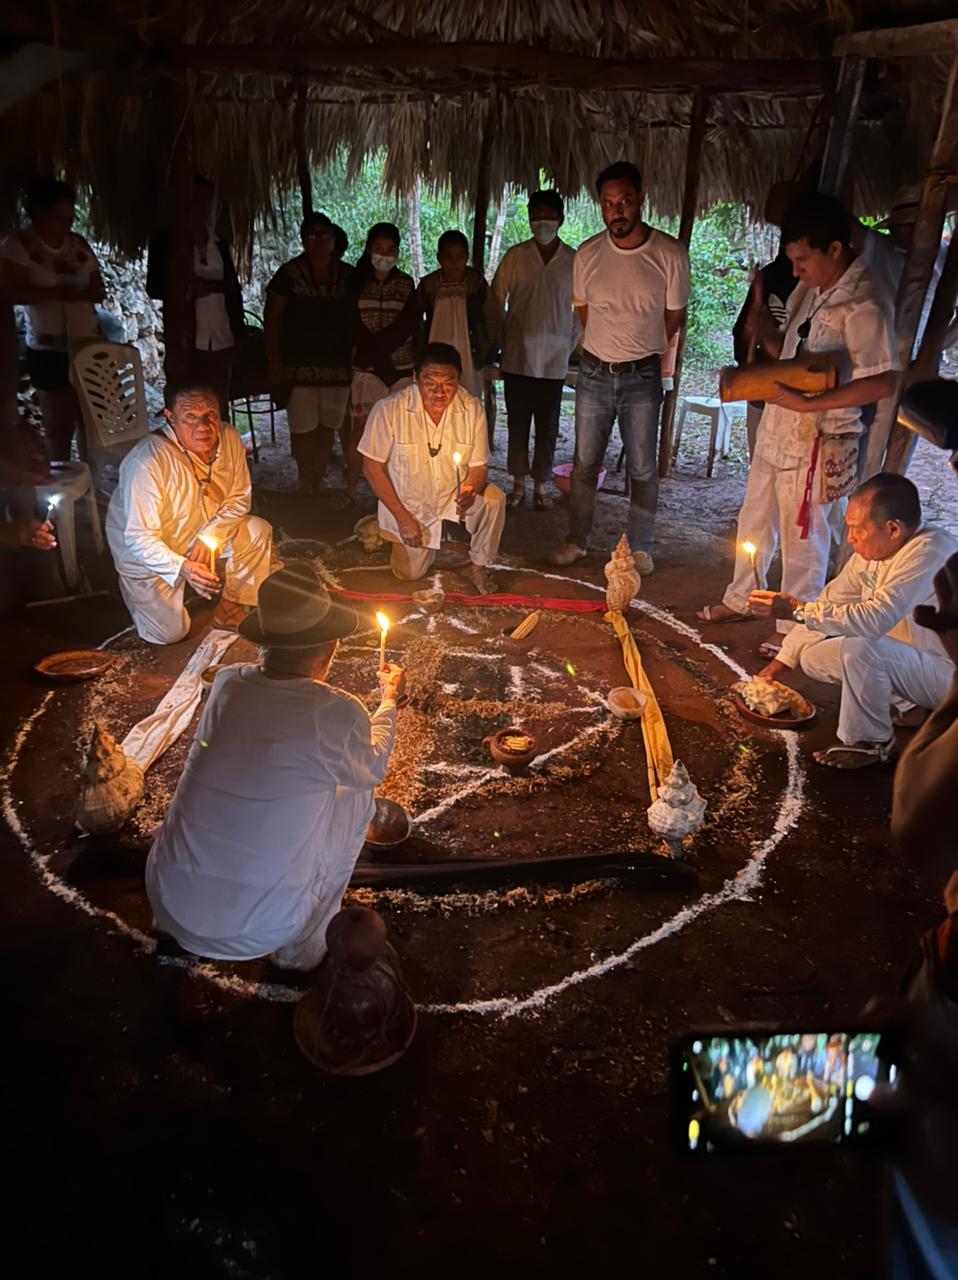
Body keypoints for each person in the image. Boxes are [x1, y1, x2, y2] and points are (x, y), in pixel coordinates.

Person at [146, 562, 404, 970]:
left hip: (169, 900)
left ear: (262, 644)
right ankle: (302, 952)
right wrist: (388, 700)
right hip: (264, 927)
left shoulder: (227, 683)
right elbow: (372, 767)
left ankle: (170, 920)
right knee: (357, 790)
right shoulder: (336, 710)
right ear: (330, 647)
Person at [698, 192, 899, 655]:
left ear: (835, 249)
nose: (795, 271)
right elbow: (793, 357)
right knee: (755, 517)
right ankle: (743, 596)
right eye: (791, 260)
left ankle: (794, 625)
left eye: (803, 259)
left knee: (803, 533)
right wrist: (760, 340)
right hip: (780, 422)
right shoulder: (812, 288)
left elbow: (883, 382)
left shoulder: (864, 302)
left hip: (819, 436)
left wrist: (813, 404)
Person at [749, 474, 957, 769]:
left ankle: (873, 744)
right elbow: (831, 600)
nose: (850, 539)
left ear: (893, 529)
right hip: (912, 660)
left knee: (862, 647)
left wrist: (797, 610)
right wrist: (783, 661)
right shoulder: (874, 551)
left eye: (857, 529)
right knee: (811, 658)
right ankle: (908, 706)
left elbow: (874, 620)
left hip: (948, 676)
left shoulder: (931, 553)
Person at [550, 160, 690, 573]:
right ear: (601, 207)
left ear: (641, 200)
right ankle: (577, 540)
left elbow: (673, 317)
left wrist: (640, 349)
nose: (617, 212)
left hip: (643, 375)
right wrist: (607, 349)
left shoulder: (669, 253)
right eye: (609, 204)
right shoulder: (589, 254)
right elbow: (586, 312)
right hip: (594, 372)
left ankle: (640, 547)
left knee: (644, 468)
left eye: (625, 201)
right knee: (584, 463)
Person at [105, 382, 272, 644]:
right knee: (168, 634)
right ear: (170, 417)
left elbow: (239, 498)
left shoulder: (228, 438)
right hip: (148, 554)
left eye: (210, 416)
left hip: (199, 533)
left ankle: (227, 609)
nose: (203, 427)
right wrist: (181, 567)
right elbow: (139, 537)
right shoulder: (147, 461)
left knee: (256, 531)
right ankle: (137, 590)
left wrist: (208, 537)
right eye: (190, 418)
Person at [359, 342, 505, 595]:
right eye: (430, 382)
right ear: (415, 378)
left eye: (448, 382)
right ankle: (384, 523)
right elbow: (371, 468)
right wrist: (404, 520)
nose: (439, 392)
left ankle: (480, 566)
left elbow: (479, 466)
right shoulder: (389, 410)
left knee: (494, 500)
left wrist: (471, 488)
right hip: (411, 505)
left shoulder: (471, 409)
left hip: (453, 496)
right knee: (409, 574)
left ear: (459, 379)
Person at [488, 189, 580, 510]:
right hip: (517, 356)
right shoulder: (516, 256)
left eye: (548, 215)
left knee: (548, 426)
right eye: (536, 215)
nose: (541, 222)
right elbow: (496, 299)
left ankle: (541, 486)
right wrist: (500, 341)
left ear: (561, 219)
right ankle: (517, 485)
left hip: (554, 361)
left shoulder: (573, 261)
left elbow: (583, 311)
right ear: (529, 219)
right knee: (517, 424)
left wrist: (568, 345)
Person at [0, 178, 104, 461]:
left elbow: (98, 290)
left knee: (90, 423)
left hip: (88, 343)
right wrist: (64, 292)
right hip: (49, 348)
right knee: (58, 426)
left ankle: (89, 488)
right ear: (37, 211)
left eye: (70, 217)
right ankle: (62, 492)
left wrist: (59, 294)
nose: (66, 223)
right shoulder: (18, 245)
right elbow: (9, 291)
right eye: (59, 217)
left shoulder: (78, 245)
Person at [265, 211, 355, 495]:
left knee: (328, 425)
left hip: (337, 365)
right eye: (312, 235)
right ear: (304, 239)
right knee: (302, 428)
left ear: (333, 239)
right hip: (298, 365)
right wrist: (275, 361)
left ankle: (318, 476)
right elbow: (273, 319)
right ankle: (305, 478)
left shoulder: (349, 275)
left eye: (324, 235)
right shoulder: (289, 274)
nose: (319, 241)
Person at [146, 175, 246, 414]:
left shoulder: (218, 242)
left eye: (206, 202)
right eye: (195, 201)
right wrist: (188, 290)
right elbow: (155, 287)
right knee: (189, 404)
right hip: (187, 339)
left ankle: (223, 450)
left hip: (221, 337)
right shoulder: (165, 242)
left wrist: (238, 329)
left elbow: (234, 288)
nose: (201, 208)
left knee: (219, 404)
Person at [346, 222, 417, 499]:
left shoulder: (406, 283)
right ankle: (351, 490)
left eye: (390, 249)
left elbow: (406, 326)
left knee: (399, 435)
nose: (384, 255)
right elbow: (353, 327)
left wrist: (387, 367)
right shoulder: (355, 283)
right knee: (361, 431)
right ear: (368, 249)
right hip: (367, 371)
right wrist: (379, 364)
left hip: (400, 369)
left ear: (398, 252)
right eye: (378, 248)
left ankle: (394, 493)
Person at [417, 230, 491, 402]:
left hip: (470, 352)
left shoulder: (476, 284)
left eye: (459, 256)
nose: (453, 262)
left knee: (468, 400)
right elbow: (416, 321)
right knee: (438, 394)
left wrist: (486, 348)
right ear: (438, 258)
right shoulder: (429, 285)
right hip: (435, 347)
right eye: (447, 256)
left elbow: (491, 318)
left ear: (467, 257)